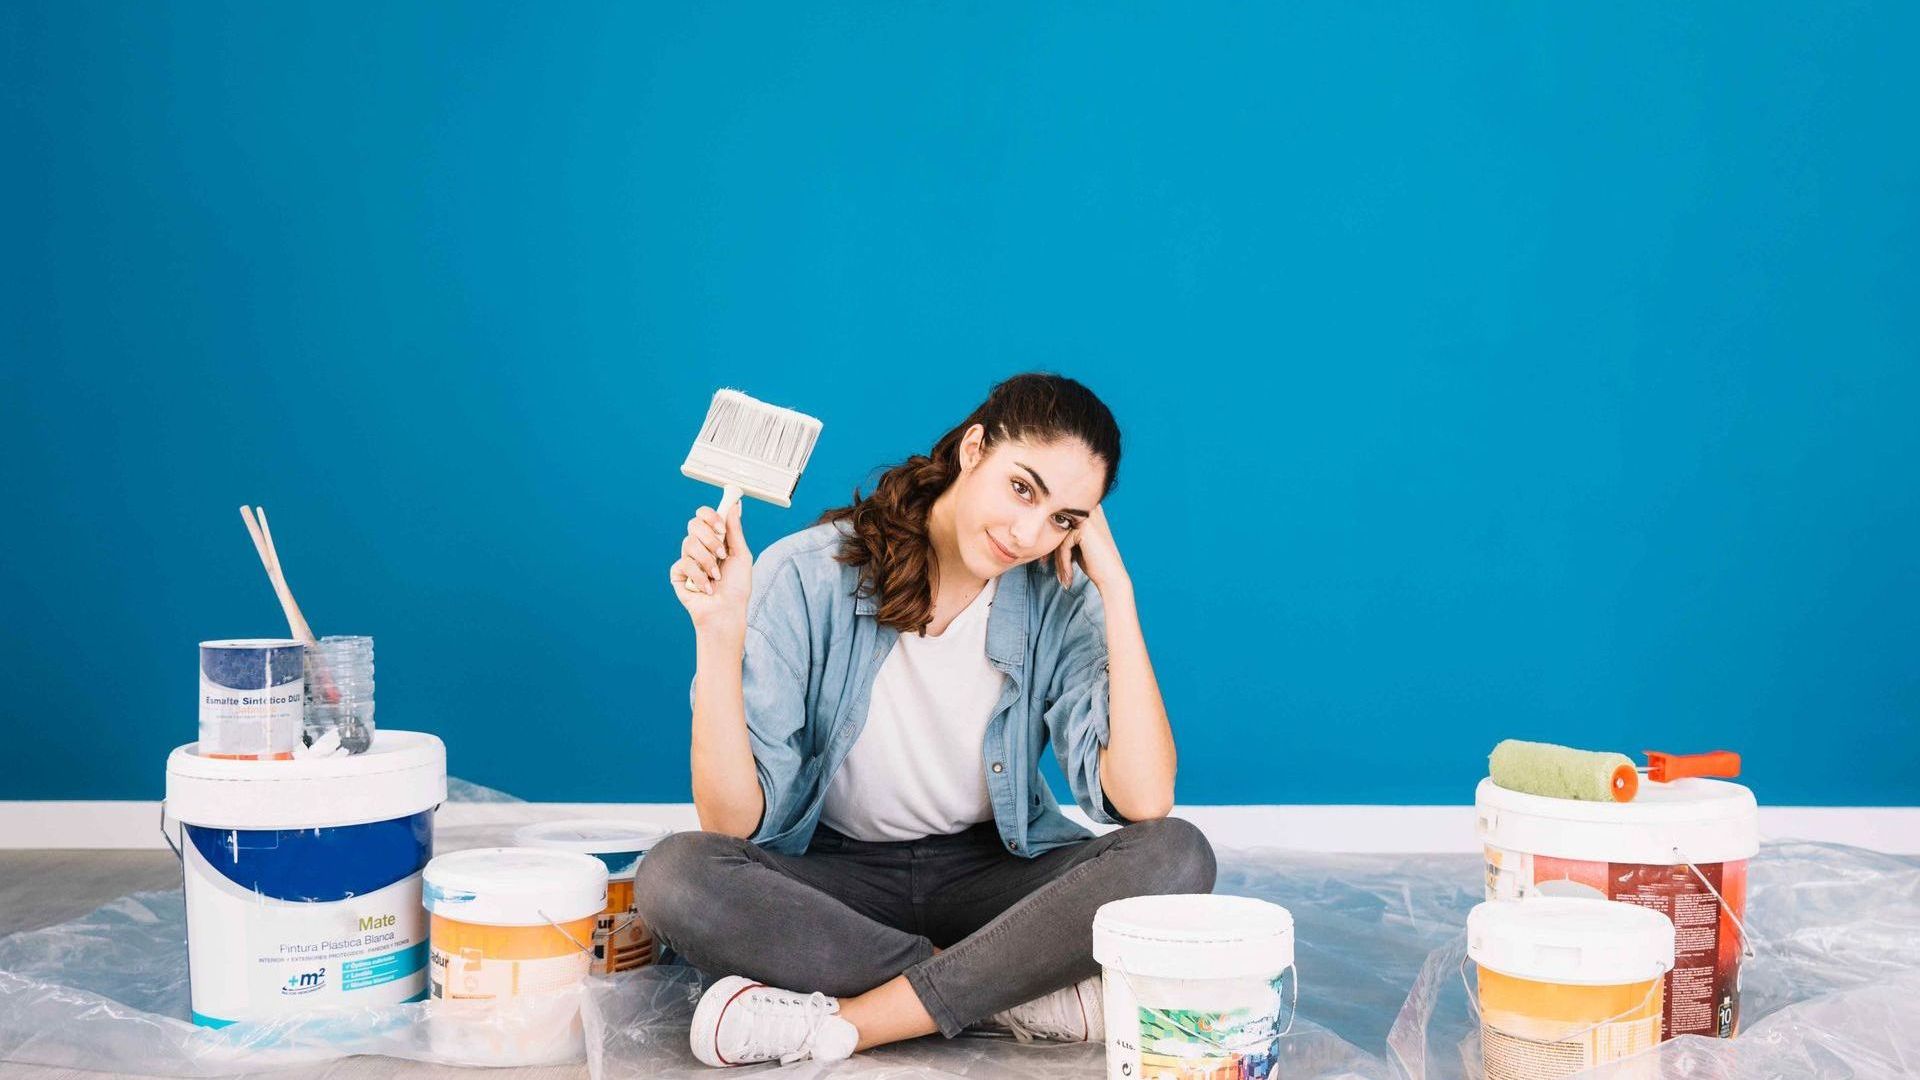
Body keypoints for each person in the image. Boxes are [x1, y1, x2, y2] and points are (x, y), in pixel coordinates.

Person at [635, 372, 1215, 1067]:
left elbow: (1144, 800)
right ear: (974, 449)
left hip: (991, 880)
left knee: (1179, 853)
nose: (1029, 533)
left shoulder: (1060, 598)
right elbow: (730, 825)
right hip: (837, 884)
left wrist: (1115, 591)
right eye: (1022, 488)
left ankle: (852, 1021)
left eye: (1064, 519)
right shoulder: (806, 575)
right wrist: (719, 632)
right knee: (674, 876)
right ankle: (1009, 994)